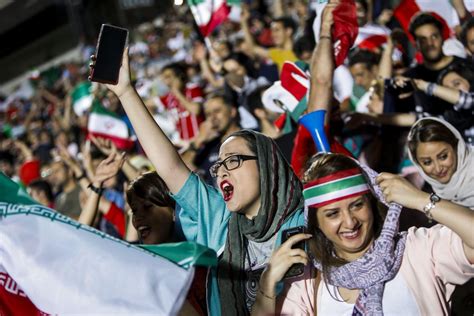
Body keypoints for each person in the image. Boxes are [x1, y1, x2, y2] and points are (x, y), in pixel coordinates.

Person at [98, 46, 305, 316]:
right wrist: (125, 91)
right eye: (218, 166)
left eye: (233, 160)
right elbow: (170, 167)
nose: (221, 172)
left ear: (266, 164)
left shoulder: (303, 217)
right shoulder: (219, 219)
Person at [253, 152, 474, 315]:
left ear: (371, 203)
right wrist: (267, 283)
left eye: (357, 205)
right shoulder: (310, 283)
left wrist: (421, 200)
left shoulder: (416, 250)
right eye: (332, 214)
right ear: (316, 223)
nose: (350, 222)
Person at [407, 117, 474, 209]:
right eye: (427, 162)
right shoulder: (438, 192)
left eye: (443, 157)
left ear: (456, 147)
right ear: (417, 163)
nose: (438, 169)